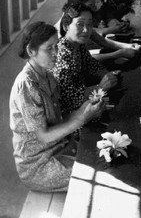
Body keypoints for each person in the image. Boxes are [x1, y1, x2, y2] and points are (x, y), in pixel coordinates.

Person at [9, 22, 106, 191]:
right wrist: (82, 118)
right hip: (38, 165)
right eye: (49, 49)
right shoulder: (27, 86)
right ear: (31, 51)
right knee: (100, 177)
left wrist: (85, 109)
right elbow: (44, 136)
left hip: (60, 147)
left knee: (105, 158)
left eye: (56, 46)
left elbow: (59, 119)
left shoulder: (47, 75)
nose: (56, 53)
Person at [53, 2, 119, 117]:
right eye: (80, 24)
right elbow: (71, 100)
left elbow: (92, 65)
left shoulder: (77, 45)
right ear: (66, 26)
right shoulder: (63, 59)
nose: (86, 30)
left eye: (89, 24)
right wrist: (101, 87)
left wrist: (109, 76)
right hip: (68, 118)